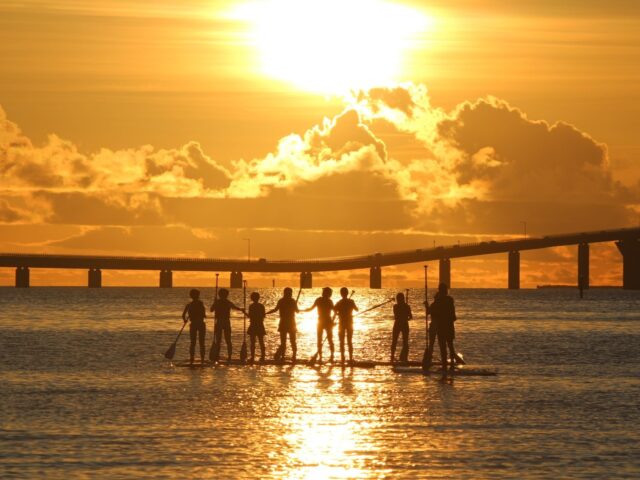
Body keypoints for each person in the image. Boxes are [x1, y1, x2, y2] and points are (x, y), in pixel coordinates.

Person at [427, 283, 458, 370]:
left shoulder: (438, 301)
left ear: (440, 290)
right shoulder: (450, 300)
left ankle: (445, 365)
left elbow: (429, 312)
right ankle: (451, 364)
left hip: (442, 327)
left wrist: (427, 306)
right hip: (449, 326)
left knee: (444, 346)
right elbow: (453, 316)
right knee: (450, 345)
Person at [302, 287, 335, 363]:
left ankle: (323, 357)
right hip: (326, 321)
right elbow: (335, 311)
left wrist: (303, 310)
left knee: (322, 339)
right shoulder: (328, 301)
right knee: (328, 339)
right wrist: (303, 310)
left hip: (323, 321)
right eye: (330, 293)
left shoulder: (320, 300)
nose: (330, 295)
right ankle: (328, 357)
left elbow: (311, 309)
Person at [266, 287, 299, 362]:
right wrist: (267, 313)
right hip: (287, 322)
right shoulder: (290, 301)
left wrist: (266, 313)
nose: (290, 294)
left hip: (288, 322)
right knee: (289, 341)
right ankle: (289, 356)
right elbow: (297, 311)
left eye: (290, 293)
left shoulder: (284, 301)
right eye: (289, 293)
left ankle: (290, 356)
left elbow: (275, 309)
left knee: (289, 341)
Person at [210, 288, 243, 361]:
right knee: (227, 340)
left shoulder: (218, 302)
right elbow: (235, 307)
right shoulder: (227, 302)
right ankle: (229, 356)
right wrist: (241, 309)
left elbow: (211, 310)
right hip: (225, 322)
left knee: (220, 340)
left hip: (220, 322)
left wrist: (214, 303)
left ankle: (218, 356)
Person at [334, 287, 358, 364]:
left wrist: (337, 314)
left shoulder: (339, 302)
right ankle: (350, 358)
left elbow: (334, 311)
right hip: (349, 323)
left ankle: (342, 358)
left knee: (342, 341)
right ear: (347, 293)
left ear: (341, 294)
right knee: (349, 341)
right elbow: (356, 309)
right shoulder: (351, 301)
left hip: (342, 324)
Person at [391, 292, 412, 363]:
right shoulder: (396, 306)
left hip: (403, 324)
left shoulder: (406, 306)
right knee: (395, 341)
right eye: (398, 299)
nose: (398, 300)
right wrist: (405, 311)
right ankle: (392, 356)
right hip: (399, 324)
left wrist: (406, 316)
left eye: (399, 299)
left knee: (404, 342)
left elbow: (410, 316)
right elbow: (396, 315)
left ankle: (404, 357)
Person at [247, 291, 267, 363]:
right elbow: (263, 315)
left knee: (253, 342)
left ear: (252, 298)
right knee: (261, 341)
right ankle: (263, 356)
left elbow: (250, 316)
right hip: (260, 325)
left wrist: (244, 312)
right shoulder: (261, 306)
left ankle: (252, 357)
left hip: (253, 325)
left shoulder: (251, 306)